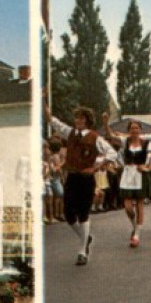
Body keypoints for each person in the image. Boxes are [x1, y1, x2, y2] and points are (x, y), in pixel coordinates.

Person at [48, 107, 118, 265]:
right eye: (76, 118)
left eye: (81, 118)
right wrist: (43, 100)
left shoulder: (95, 137)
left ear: (87, 120)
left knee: (83, 213)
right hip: (72, 177)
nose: (78, 121)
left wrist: (96, 166)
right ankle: (85, 237)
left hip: (86, 178)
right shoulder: (70, 133)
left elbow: (112, 153)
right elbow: (52, 120)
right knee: (69, 214)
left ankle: (82, 251)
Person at [105, 114, 151, 247]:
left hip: (140, 174)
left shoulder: (146, 143)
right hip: (127, 174)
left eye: (137, 128)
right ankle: (134, 225)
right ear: (129, 130)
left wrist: (148, 168)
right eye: (132, 128)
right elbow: (111, 136)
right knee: (127, 206)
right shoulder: (125, 141)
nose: (134, 130)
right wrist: (105, 123)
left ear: (140, 130)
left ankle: (137, 234)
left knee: (139, 204)